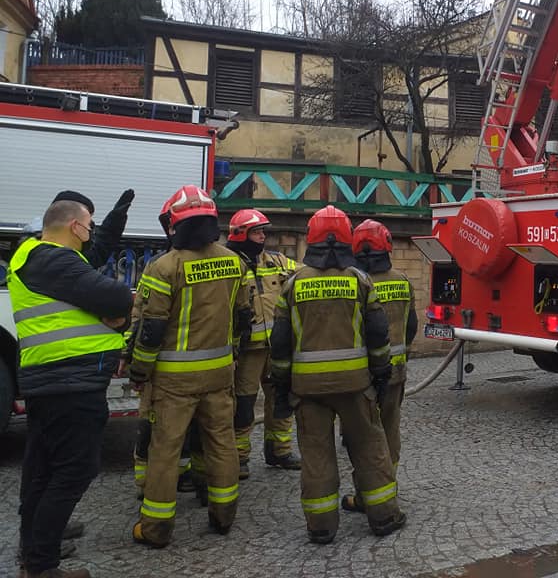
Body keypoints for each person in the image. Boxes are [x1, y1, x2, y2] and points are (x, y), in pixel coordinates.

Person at [9, 198, 133, 578]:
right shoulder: (52, 259)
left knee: (43, 470)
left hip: (55, 381)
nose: (91, 231)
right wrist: (113, 313)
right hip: (69, 383)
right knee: (75, 470)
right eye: (89, 225)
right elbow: (117, 297)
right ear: (74, 227)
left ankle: (35, 552)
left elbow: (93, 277)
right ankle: (42, 565)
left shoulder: (38, 258)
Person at [270, 206, 406, 545]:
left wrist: (283, 385)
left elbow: (281, 344)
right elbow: (378, 336)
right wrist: (379, 374)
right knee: (369, 447)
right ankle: (385, 516)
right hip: (355, 385)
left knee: (316, 455)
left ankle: (321, 526)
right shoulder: (359, 281)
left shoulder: (293, 285)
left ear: (311, 239)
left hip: (308, 389)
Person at [128, 185, 251, 548]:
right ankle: (223, 516)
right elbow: (242, 319)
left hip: (173, 381)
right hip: (219, 373)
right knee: (222, 442)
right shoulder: (234, 262)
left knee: (165, 450)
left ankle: (155, 529)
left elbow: (150, 331)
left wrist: (139, 371)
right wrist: (232, 356)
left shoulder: (164, 267)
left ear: (175, 225)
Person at [123, 195, 197, 501]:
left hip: (168, 368)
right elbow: (142, 318)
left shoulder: (162, 266)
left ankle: (155, 482)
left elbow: (143, 319)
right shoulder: (162, 266)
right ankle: (153, 481)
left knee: (159, 427)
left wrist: (136, 365)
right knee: (164, 428)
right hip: (191, 368)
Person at [341, 219, 418, 514]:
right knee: (390, 432)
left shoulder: (355, 284)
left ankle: (366, 494)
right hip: (395, 373)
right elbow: (411, 326)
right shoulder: (402, 281)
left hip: (363, 375)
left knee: (362, 436)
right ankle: (389, 487)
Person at [226, 209, 301, 477]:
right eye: (257, 232)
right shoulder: (229, 265)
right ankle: (239, 458)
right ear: (241, 234)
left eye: (263, 232)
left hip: (276, 348)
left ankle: (279, 452)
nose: (262, 237)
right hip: (247, 352)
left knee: (281, 400)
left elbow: (305, 274)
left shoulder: (277, 262)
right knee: (243, 406)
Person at [51, 189, 135, 269]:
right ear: (74, 225)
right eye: (87, 221)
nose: (89, 227)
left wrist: (116, 218)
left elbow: (100, 249)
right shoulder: (69, 263)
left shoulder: (74, 254)